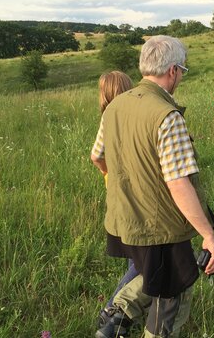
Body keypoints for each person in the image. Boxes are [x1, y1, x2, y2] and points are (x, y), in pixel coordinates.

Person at [95, 35, 214, 338]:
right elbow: (178, 182)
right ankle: (135, 321)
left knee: (152, 272)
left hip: (124, 218)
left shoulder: (114, 108)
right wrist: (208, 236)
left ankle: (118, 314)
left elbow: (98, 155)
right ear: (173, 70)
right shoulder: (167, 116)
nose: (180, 77)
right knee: (174, 289)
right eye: (183, 71)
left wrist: (125, 184)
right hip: (162, 223)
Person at [90, 71, 140, 327]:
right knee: (142, 260)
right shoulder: (121, 117)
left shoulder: (108, 116)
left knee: (135, 255)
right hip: (129, 193)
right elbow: (96, 156)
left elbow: (99, 158)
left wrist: (110, 172)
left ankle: (126, 311)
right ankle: (112, 311)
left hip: (117, 191)